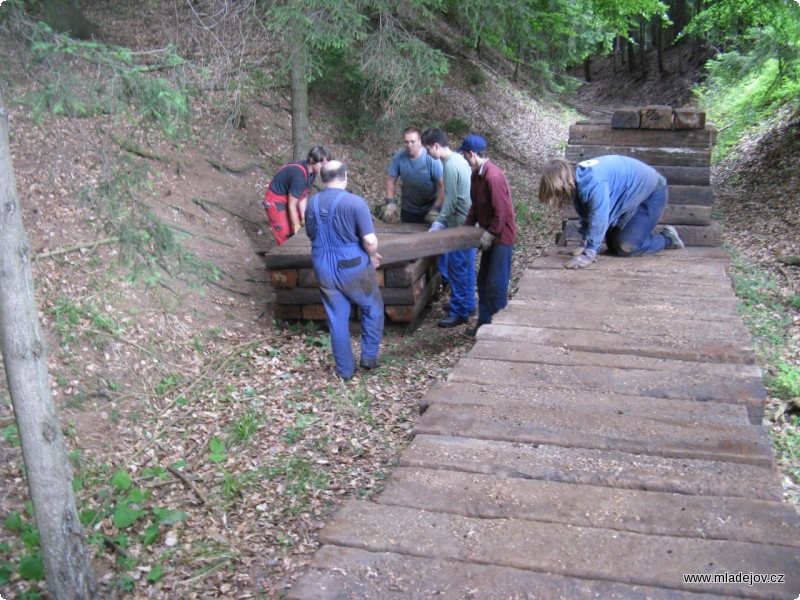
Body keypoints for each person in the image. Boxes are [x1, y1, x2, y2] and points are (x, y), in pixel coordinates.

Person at [305, 160, 384, 380]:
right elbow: (369, 240)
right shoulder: (355, 203)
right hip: (351, 265)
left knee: (337, 318)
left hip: (322, 264)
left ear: (322, 178)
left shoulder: (311, 203)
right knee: (372, 307)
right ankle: (368, 357)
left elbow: (311, 234)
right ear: (345, 176)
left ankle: (345, 371)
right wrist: (372, 256)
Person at [538, 155, 684, 269]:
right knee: (612, 245)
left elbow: (599, 217)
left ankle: (668, 238)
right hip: (630, 196)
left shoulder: (593, 181)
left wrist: (589, 253)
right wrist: (584, 243)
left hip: (651, 192)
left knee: (625, 247)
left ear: (561, 181)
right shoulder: (577, 178)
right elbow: (587, 212)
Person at [459, 135, 516, 337]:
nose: (465, 158)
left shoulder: (493, 177)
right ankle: (484, 324)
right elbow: (475, 206)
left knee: (496, 285)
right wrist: (465, 229)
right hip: (488, 234)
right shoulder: (476, 175)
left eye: (465, 154)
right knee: (483, 281)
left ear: (472, 154)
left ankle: (499, 331)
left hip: (501, 238)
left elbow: (503, 212)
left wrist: (490, 234)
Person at [421, 128, 476, 327]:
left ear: (436, 146)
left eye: (428, 149)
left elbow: (451, 200)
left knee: (457, 269)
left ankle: (460, 311)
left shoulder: (451, 165)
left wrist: (439, 221)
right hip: (468, 222)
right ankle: (468, 304)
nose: (427, 153)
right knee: (466, 266)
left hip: (459, 224)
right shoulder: (459, 160)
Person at [263, 146, 332, 245]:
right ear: (312, 160)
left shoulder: (311, 173)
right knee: (287, 236)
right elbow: (292, 205)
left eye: (325, 164)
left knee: (302, 223)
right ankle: (286, 256)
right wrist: (296, 227)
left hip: (287, 199)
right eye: (321, 163)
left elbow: (303, 196)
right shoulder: (299, 176)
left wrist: (303, 217)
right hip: (275, 203)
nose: (324, 167)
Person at [383, 127, 444, 224]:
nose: (409, 145)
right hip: (408, 210)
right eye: (406, 142)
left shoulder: (431, 159)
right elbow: (391, 180)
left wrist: (436, 208)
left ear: (420, 141)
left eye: (412, 141)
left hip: (430, 209)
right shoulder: (399, 158)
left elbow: (443, 185)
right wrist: (391, 202)